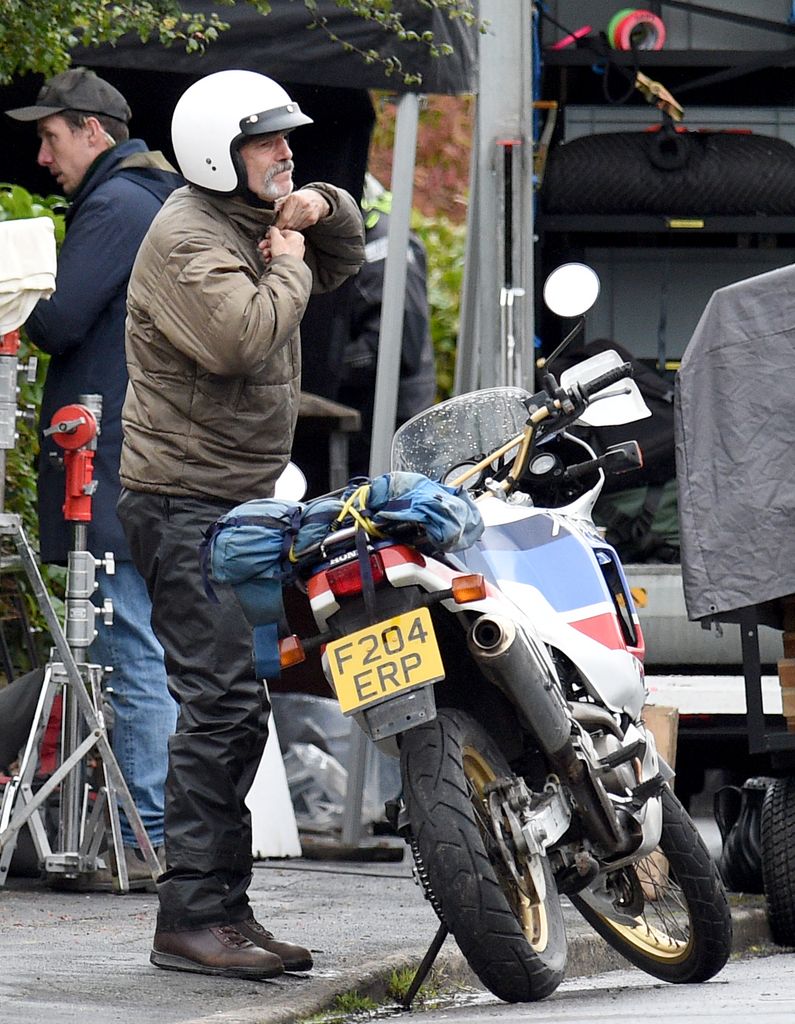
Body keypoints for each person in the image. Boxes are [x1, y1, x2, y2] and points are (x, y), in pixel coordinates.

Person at [116, 69, 364, 980]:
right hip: (185, 503)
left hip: (236, 501)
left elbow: (344, 252)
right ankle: (189, 916)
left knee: (236, 707)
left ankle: (226, 907)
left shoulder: (245, 219)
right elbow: (240, 338)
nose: (285, 150)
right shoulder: (187, 238)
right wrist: (289, 265)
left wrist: (317, 204)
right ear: (220, 152)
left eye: (288, 139)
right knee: (218, 704)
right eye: (269, 142)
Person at [5, 68, 182, 886]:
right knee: (137, 646)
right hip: (143, 461)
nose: (42, 156)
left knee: (124, 647)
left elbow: (58, 320)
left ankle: (140, 831)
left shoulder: (118, 206)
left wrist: (18, 274)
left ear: (93, 131)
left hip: (107, 469)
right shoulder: (159, 197)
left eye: (50, 137)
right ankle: (140, 826)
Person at [337, 174, 436, 477]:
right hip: (373, 415)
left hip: (392, 423)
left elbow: (395, 346)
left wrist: (326, 373)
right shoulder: (370, 238)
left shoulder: (383, 248)